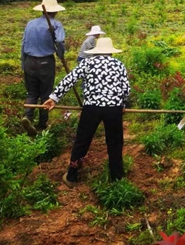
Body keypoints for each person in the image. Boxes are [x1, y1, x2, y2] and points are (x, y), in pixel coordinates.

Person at [42, 37, 130, 188]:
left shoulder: (87, 63)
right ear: (110, 52)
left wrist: (54, 97)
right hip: (113, 108)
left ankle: (71, 177)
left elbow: (70, 79)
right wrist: (122, 104)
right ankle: (117, 178)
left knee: (82, 141)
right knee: (115, 143)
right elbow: (126, 88)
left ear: (96, 51)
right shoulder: (118, 65)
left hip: (92, 107)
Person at [21, 0, 66, 136]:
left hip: (29, 61)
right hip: (46, 62)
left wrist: (23, 63)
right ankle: (42, 124)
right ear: (56, 11)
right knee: (46, 94)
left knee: (32, 92)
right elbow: (60, 42)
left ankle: (28, 117)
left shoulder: (30, 24)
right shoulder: (56, 24)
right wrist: (60, 52)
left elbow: (23, 44)